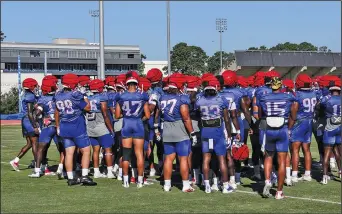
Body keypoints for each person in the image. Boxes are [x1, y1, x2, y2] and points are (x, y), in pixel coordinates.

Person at [256, 77, 297, 199]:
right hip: (282, 128)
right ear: (280, 85)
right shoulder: (288, 96)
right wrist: (289, 128)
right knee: (282, 161)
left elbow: (259, 115)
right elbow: (293, 115)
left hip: (269, 128)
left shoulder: (263, 97)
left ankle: (268, 180)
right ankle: (279, 192)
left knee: (268, 156)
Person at [54, 73, 96, 186]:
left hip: (64, 127)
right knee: (86, 151)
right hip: (77, 126)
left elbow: (56, 112)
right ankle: (84, 176)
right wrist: (85, 96)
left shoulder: (57, 95)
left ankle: (71, 178)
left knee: (69, 153)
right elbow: (88, 107)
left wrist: (57, 126)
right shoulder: (75, 94)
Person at [195, 75, 233, 194]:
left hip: (205, 132)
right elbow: (227, 119)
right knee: (221, 159)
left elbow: (197, 114)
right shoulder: (221, 100)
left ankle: (206, 185)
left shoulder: (200, 101)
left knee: (206, 158)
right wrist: (230, 134)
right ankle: (225, 186)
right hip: (217, 132)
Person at [159, 73, 196, 192]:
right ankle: (185, 185)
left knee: (169, 158)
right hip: (179, 129)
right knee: (183, 158)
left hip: (167, 129)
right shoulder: (182, 98)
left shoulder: (163, 97)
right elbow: (185, 117)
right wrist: (192, 132)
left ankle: (167, 185)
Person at [115, 71, 150, 188]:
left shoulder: (121, 96)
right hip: (138, 124)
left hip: (126, 124)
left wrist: (125, 115)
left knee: (126, 154)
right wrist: (140, 118)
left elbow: (117, 115)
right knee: (139, 154)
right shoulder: (142, 96)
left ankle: (125, 181)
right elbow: (148, 115)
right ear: (136, 83)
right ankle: (140, 181)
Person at [28, 76, 61, 178]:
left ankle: (37, 171)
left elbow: (37, 113)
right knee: (63, 149)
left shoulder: (43, 98)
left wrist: (38, 120)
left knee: (41, 148)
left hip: (48, 126)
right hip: (59, 125)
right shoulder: (59, 96)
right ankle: (64, 169)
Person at [290, 74, 316, 184]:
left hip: (299, 122)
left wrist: (289, 127)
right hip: (309, 121)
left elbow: (293, 113)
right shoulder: (314, 93)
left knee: (295, 149)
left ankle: (294, 174)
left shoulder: (297, 95)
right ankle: (307, 173)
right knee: (307, 149)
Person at [87, 79, 116, 179]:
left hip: (90, 127)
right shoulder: (102, 97)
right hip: (101, 126)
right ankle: (109, 172)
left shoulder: (88, 97)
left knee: (96, 150)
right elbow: (105, 114)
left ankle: (96, 171)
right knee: (108, 149)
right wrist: (111, 129)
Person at [10, 78, 40, 172]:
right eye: (34, 85)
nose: (35, 87)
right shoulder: (30, 96)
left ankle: (15, 161)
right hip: (29, 120)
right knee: (35, 143)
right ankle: (37, 166)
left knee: (30, 143)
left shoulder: (26, 94)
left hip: (25, 120)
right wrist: (35, 126)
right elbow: (30, 113)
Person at [316, 76, 341, 184]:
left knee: (327, 152)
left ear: (330, 90)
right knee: (338, 152)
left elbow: (317, 108)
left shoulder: (326, 98)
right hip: (340, 127)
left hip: (329, 127)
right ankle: (340, 171)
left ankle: (325, 176)